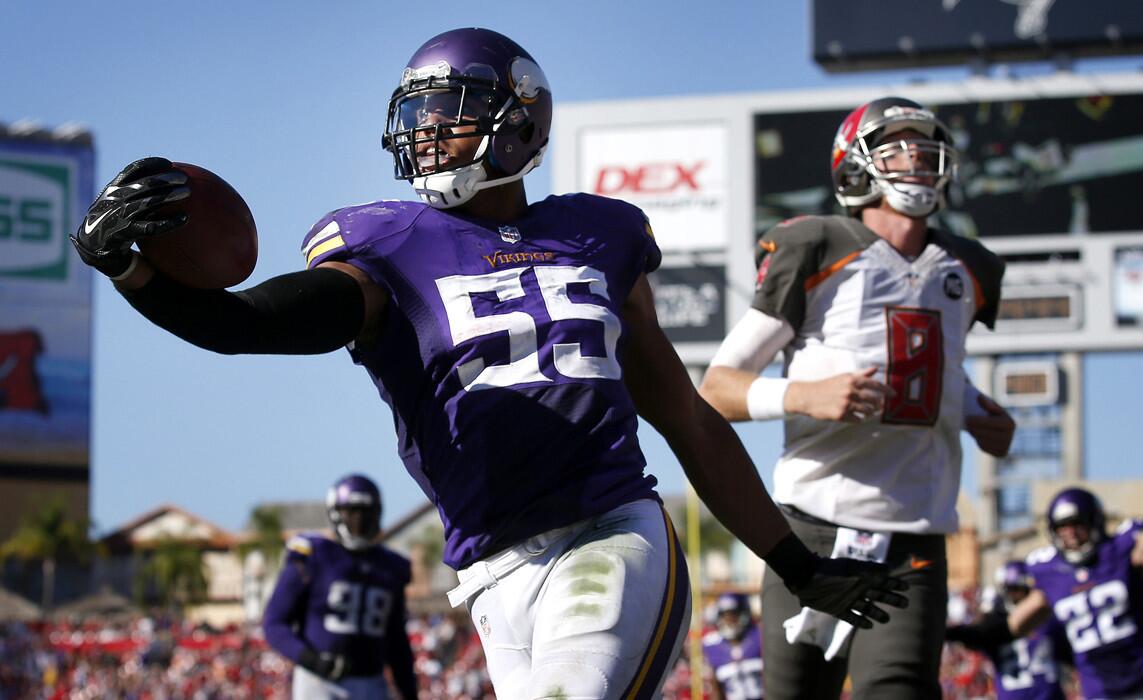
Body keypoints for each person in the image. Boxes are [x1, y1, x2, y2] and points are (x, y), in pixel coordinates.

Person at [69, 27, 906, 699]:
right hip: (490, 574)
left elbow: (685, 418)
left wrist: (794, 563)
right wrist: (128, 267)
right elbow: (236, 324)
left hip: (609, 530)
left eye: (452, 110)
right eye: (418, 115)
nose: (428, 132)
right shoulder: (389, 243)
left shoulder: (600, 234)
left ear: (521, 121)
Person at [699, 95, 1015, 699]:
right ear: (856, 164)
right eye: (895, 144)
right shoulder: (819, 246)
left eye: (923, 145)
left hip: (912, 536)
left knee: (898, 690)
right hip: (811, 533)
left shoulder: (965, 268)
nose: (915, 156)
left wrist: (976, 412)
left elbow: (927, 365)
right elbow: (717, 389)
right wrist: (804, 395)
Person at [1008, 436, 1143, 700]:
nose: (1071, 535)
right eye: (1063, 528)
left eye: (1077, 524)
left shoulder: (1120, 552)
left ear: (1095, 521)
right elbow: (1016, 625)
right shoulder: (1050, 574)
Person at [262, 474, 417, 699]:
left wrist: (409, 692)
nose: (359, 520)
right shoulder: (313, 555)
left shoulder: (390, 566)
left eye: (366, 512)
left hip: (371, 681)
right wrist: (310, 659)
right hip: (319, 681)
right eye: (351, 512)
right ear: (335, 513)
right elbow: (274, 624)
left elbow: (397, 641)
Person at [944, 561, 1066, 700]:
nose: (1018, 596)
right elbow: (975, 635)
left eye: (1021, 590)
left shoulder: (1047, 618)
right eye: (1013, 590)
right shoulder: (997, 626)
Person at [702, 592, 764, 700]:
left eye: (733, 615)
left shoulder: (759, 636)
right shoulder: (711, 645)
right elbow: (716, 689)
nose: (728, 620)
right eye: (724, 615)